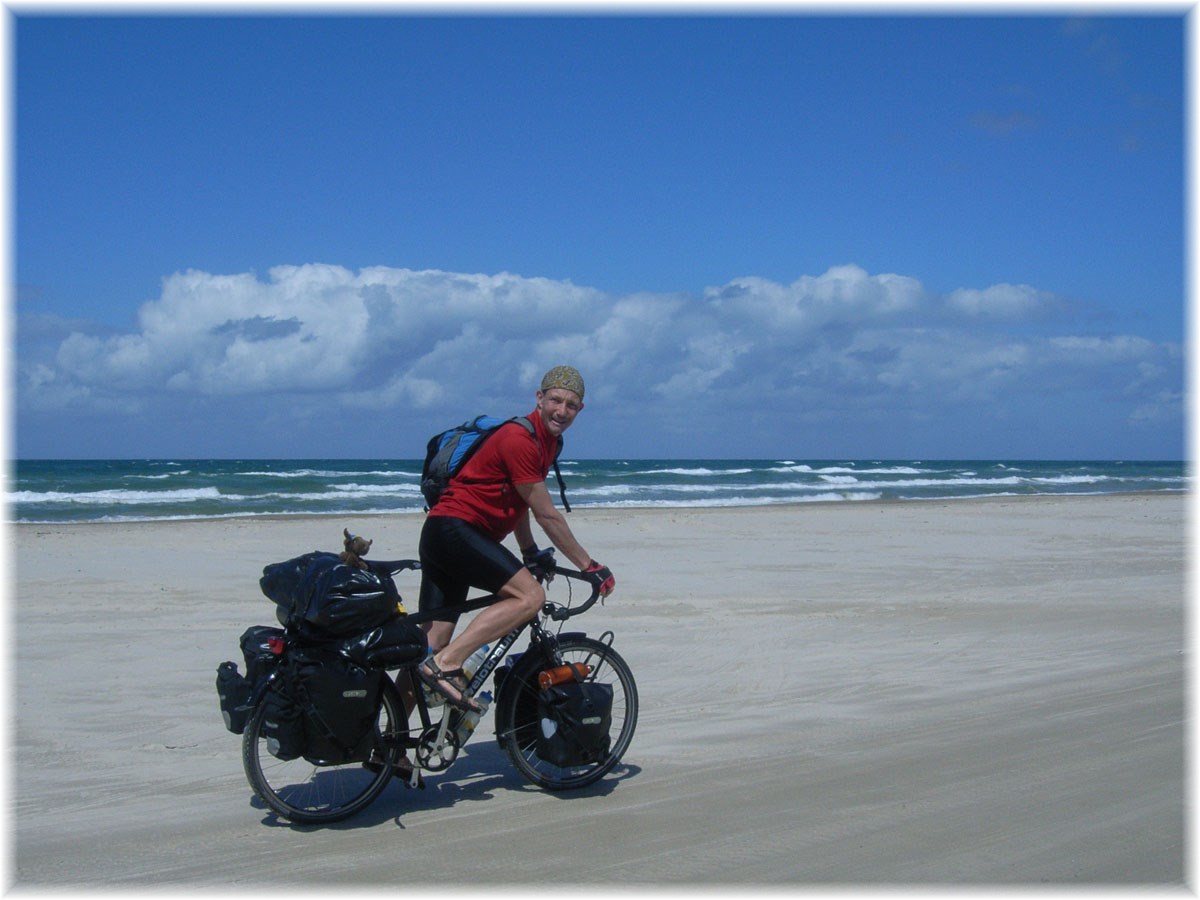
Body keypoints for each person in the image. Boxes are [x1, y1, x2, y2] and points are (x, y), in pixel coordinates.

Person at [415, 365, 615, 712]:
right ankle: (448, 665)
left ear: (580, 409)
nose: (561, 411)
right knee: (530, 597)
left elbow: (520, 500)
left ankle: (392, 746)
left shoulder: (549, 443)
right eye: (555, 400)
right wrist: (590, 566)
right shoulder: (519, 439)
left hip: (443, 533)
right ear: (539, 398)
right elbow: (546, 514)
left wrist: (530, 551)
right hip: (457, 531)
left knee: (431, 643)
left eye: (570, 405)